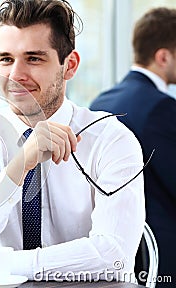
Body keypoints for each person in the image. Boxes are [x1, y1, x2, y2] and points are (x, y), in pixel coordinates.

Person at [0, 0, 146, 283]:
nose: (16, 75)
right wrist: (20, 165)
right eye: (6, 59)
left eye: (34, 58)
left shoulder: (111, 139)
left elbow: (114, 254)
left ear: (69, 65)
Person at [90, 7, 176, 287]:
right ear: (163, 56)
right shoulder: (161, 108)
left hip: (116, 252)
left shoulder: (101, 102)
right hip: (163, 254)